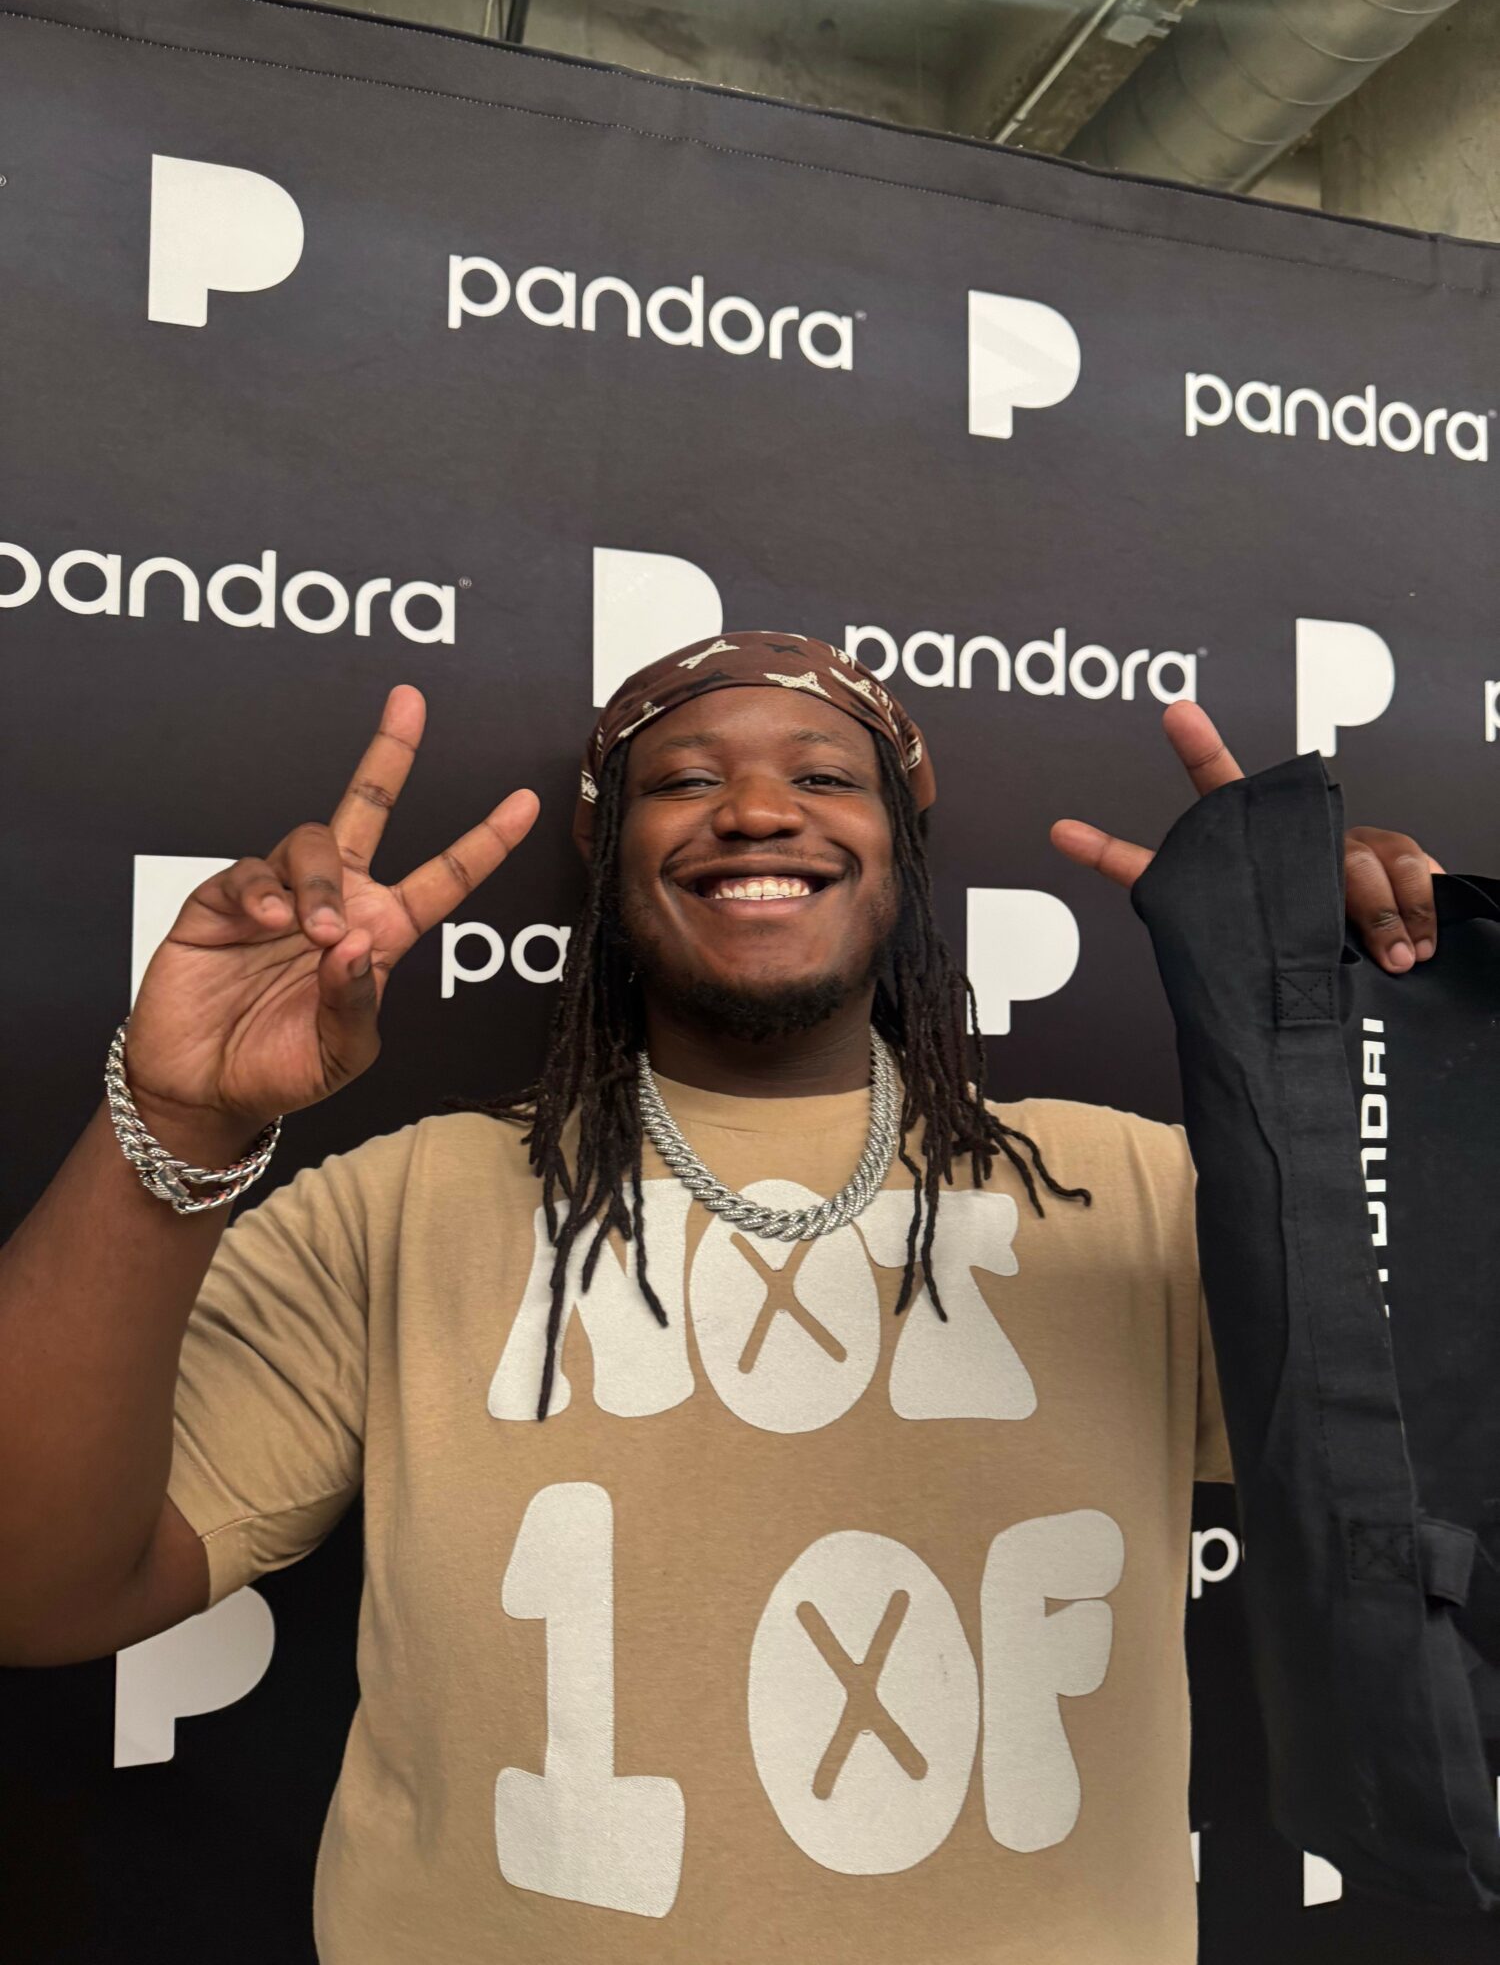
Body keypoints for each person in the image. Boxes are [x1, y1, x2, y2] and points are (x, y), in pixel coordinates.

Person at [0, 633, 1441, 1965]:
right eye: (685, 781)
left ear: (901, 855)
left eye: (825, 777)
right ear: (609, 862)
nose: (756, 811)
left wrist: (1391, 1049)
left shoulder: (1136, 1198)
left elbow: (1444, 1486)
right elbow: (37, 1592)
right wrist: (181, 1117)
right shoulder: (403, 1208)